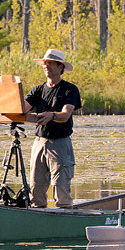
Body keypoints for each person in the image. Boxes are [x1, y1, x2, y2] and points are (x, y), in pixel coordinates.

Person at [24, 49, 82, 208]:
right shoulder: (38, 90)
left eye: (50, 63)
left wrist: (52, 116)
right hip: (39, 142)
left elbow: (65, 115)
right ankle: (38, 219)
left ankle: (65, 219)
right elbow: (23, 108)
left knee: (61, 186)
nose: (46, 66)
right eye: (45, 63)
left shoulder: (70, 89)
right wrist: (9, 97)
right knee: (35, 187)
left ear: (60, 67)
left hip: (60, 143)